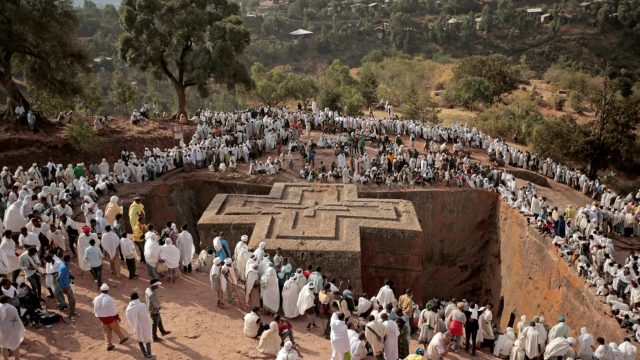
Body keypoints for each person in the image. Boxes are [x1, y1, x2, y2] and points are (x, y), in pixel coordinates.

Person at [92, 283, 129, 351]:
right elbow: (113, 311)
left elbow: (96, 308)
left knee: (107, 331)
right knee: (116, 329)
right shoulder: (109, 299)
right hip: (110, 318)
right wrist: (117, 317)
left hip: (102, 319)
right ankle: (122, 339)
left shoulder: (97, 298)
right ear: (107, 290)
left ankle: (109, 345)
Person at [126, 292, 156, 359]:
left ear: (131, 299)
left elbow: (129, 318)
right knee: (147, 339)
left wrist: (134, 325)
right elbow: (146, 316)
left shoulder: (128, 308)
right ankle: (149, 355)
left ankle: (144, 354)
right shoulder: (142, 305)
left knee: (139, 339)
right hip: (144, 325)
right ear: (138, 297)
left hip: (136, 327)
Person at [0, 295, 25, 360]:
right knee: (16, 345)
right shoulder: (12, 308)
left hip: (3, 330)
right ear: (8, 301)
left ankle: (6, 359)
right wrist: (21, 328)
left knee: (3, 345)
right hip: (14, 329)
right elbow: (17, 319)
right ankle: (17, 359)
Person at [55, 254, 77, 319]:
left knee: (71, 300)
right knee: (72, 301)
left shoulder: (63, 265)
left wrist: (70, 275)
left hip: (66, 285)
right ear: (69, 260)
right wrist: (64, 287)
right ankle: (71, 315)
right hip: (65, 286)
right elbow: (59, 278)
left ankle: (72, 312)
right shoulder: (64, 267)